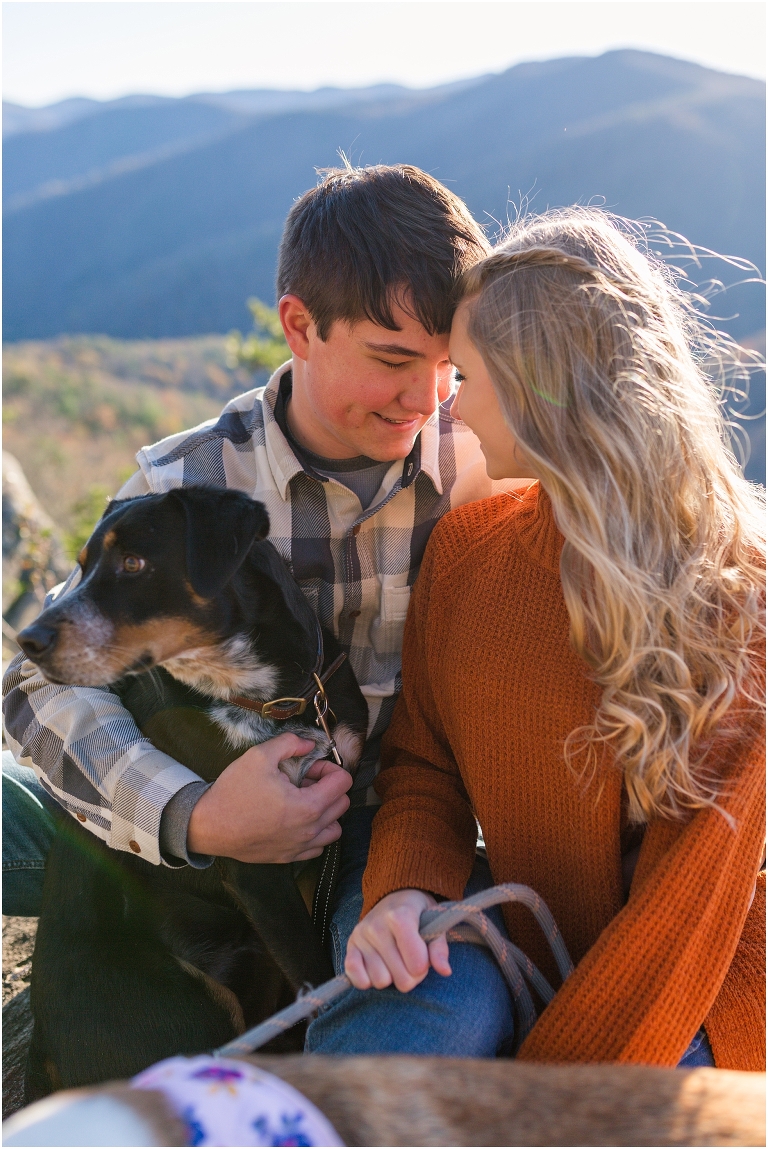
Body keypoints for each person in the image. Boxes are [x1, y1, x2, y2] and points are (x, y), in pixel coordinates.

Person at [306, 208, 766, 1070]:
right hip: (524, 927)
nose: (448, 400)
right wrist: (403, 891)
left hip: (700, 974)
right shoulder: (468, 555)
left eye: (468, 375)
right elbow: (423, 763)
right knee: (406, 1055)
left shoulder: (740, 595)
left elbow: (694, 898)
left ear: (541, 390)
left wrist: (545, 1086)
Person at [2, 163, 521, 910]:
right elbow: (36, 687)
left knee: (413, 1000)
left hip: (369, 834)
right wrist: (195, 814)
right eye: (394, 359)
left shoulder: (483, 466)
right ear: (300, 326)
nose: (427, 398)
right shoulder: (190, 482)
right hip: (188, 800)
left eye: (450, 366)